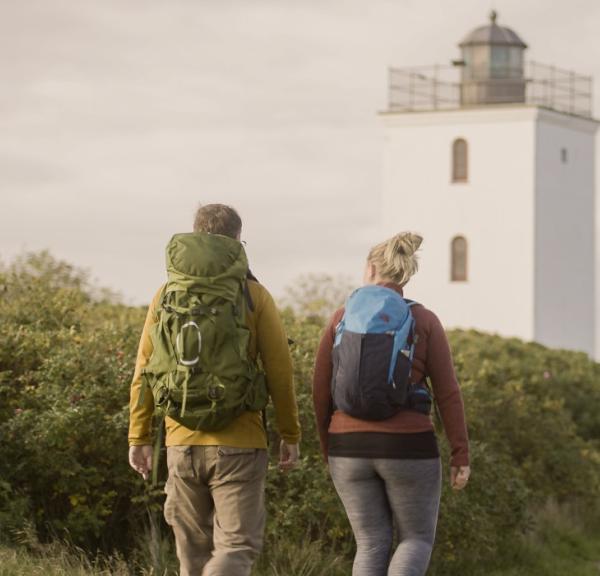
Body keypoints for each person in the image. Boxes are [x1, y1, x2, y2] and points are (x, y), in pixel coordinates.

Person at [128, 203, 301, 576]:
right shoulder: (255, 295)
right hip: (240, 443)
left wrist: (138, 436)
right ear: (239, 242)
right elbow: (279, 370)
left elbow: (144, 369)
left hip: (181, 442)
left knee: (191, 553)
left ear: (194, 235)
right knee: (236, 547)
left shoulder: (166, 294)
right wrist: (290, 433)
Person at [312, 232, 470, 576]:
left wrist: (329, 447)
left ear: (370, 268)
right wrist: (460, 453)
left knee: (370, 542)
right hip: (409, 445)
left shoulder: (341, 317)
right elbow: (448, 392)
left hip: (346, 447)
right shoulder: (424, 320)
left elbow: (320, 390)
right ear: (406, 275)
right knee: (415, 540)